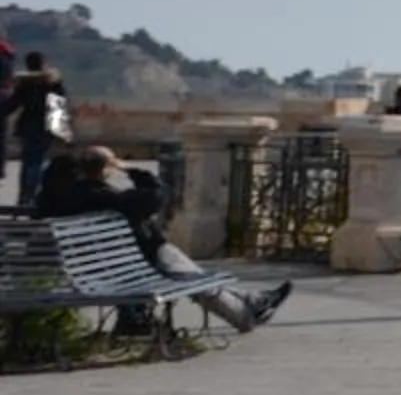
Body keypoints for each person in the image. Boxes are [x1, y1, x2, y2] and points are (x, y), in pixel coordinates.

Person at [37, 145, 290, 333]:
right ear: (102, 170)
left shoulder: (55, 198)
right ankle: (246, 314)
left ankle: (252, 301)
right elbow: (156, 196)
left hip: (97, 266)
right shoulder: (103, 197)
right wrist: (128, 168)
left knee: (185, 269)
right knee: (186, 273)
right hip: (131, 264)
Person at [10, 50, 69, 210]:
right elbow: (58, 108)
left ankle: (24, 197)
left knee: (28, 163)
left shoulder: (24, 84)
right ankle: (34, 196)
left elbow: (12, 105)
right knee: (38, 163)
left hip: (27, 127)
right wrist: (62, 133)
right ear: (43, 64)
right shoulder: (52, 82)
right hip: (46, 128)